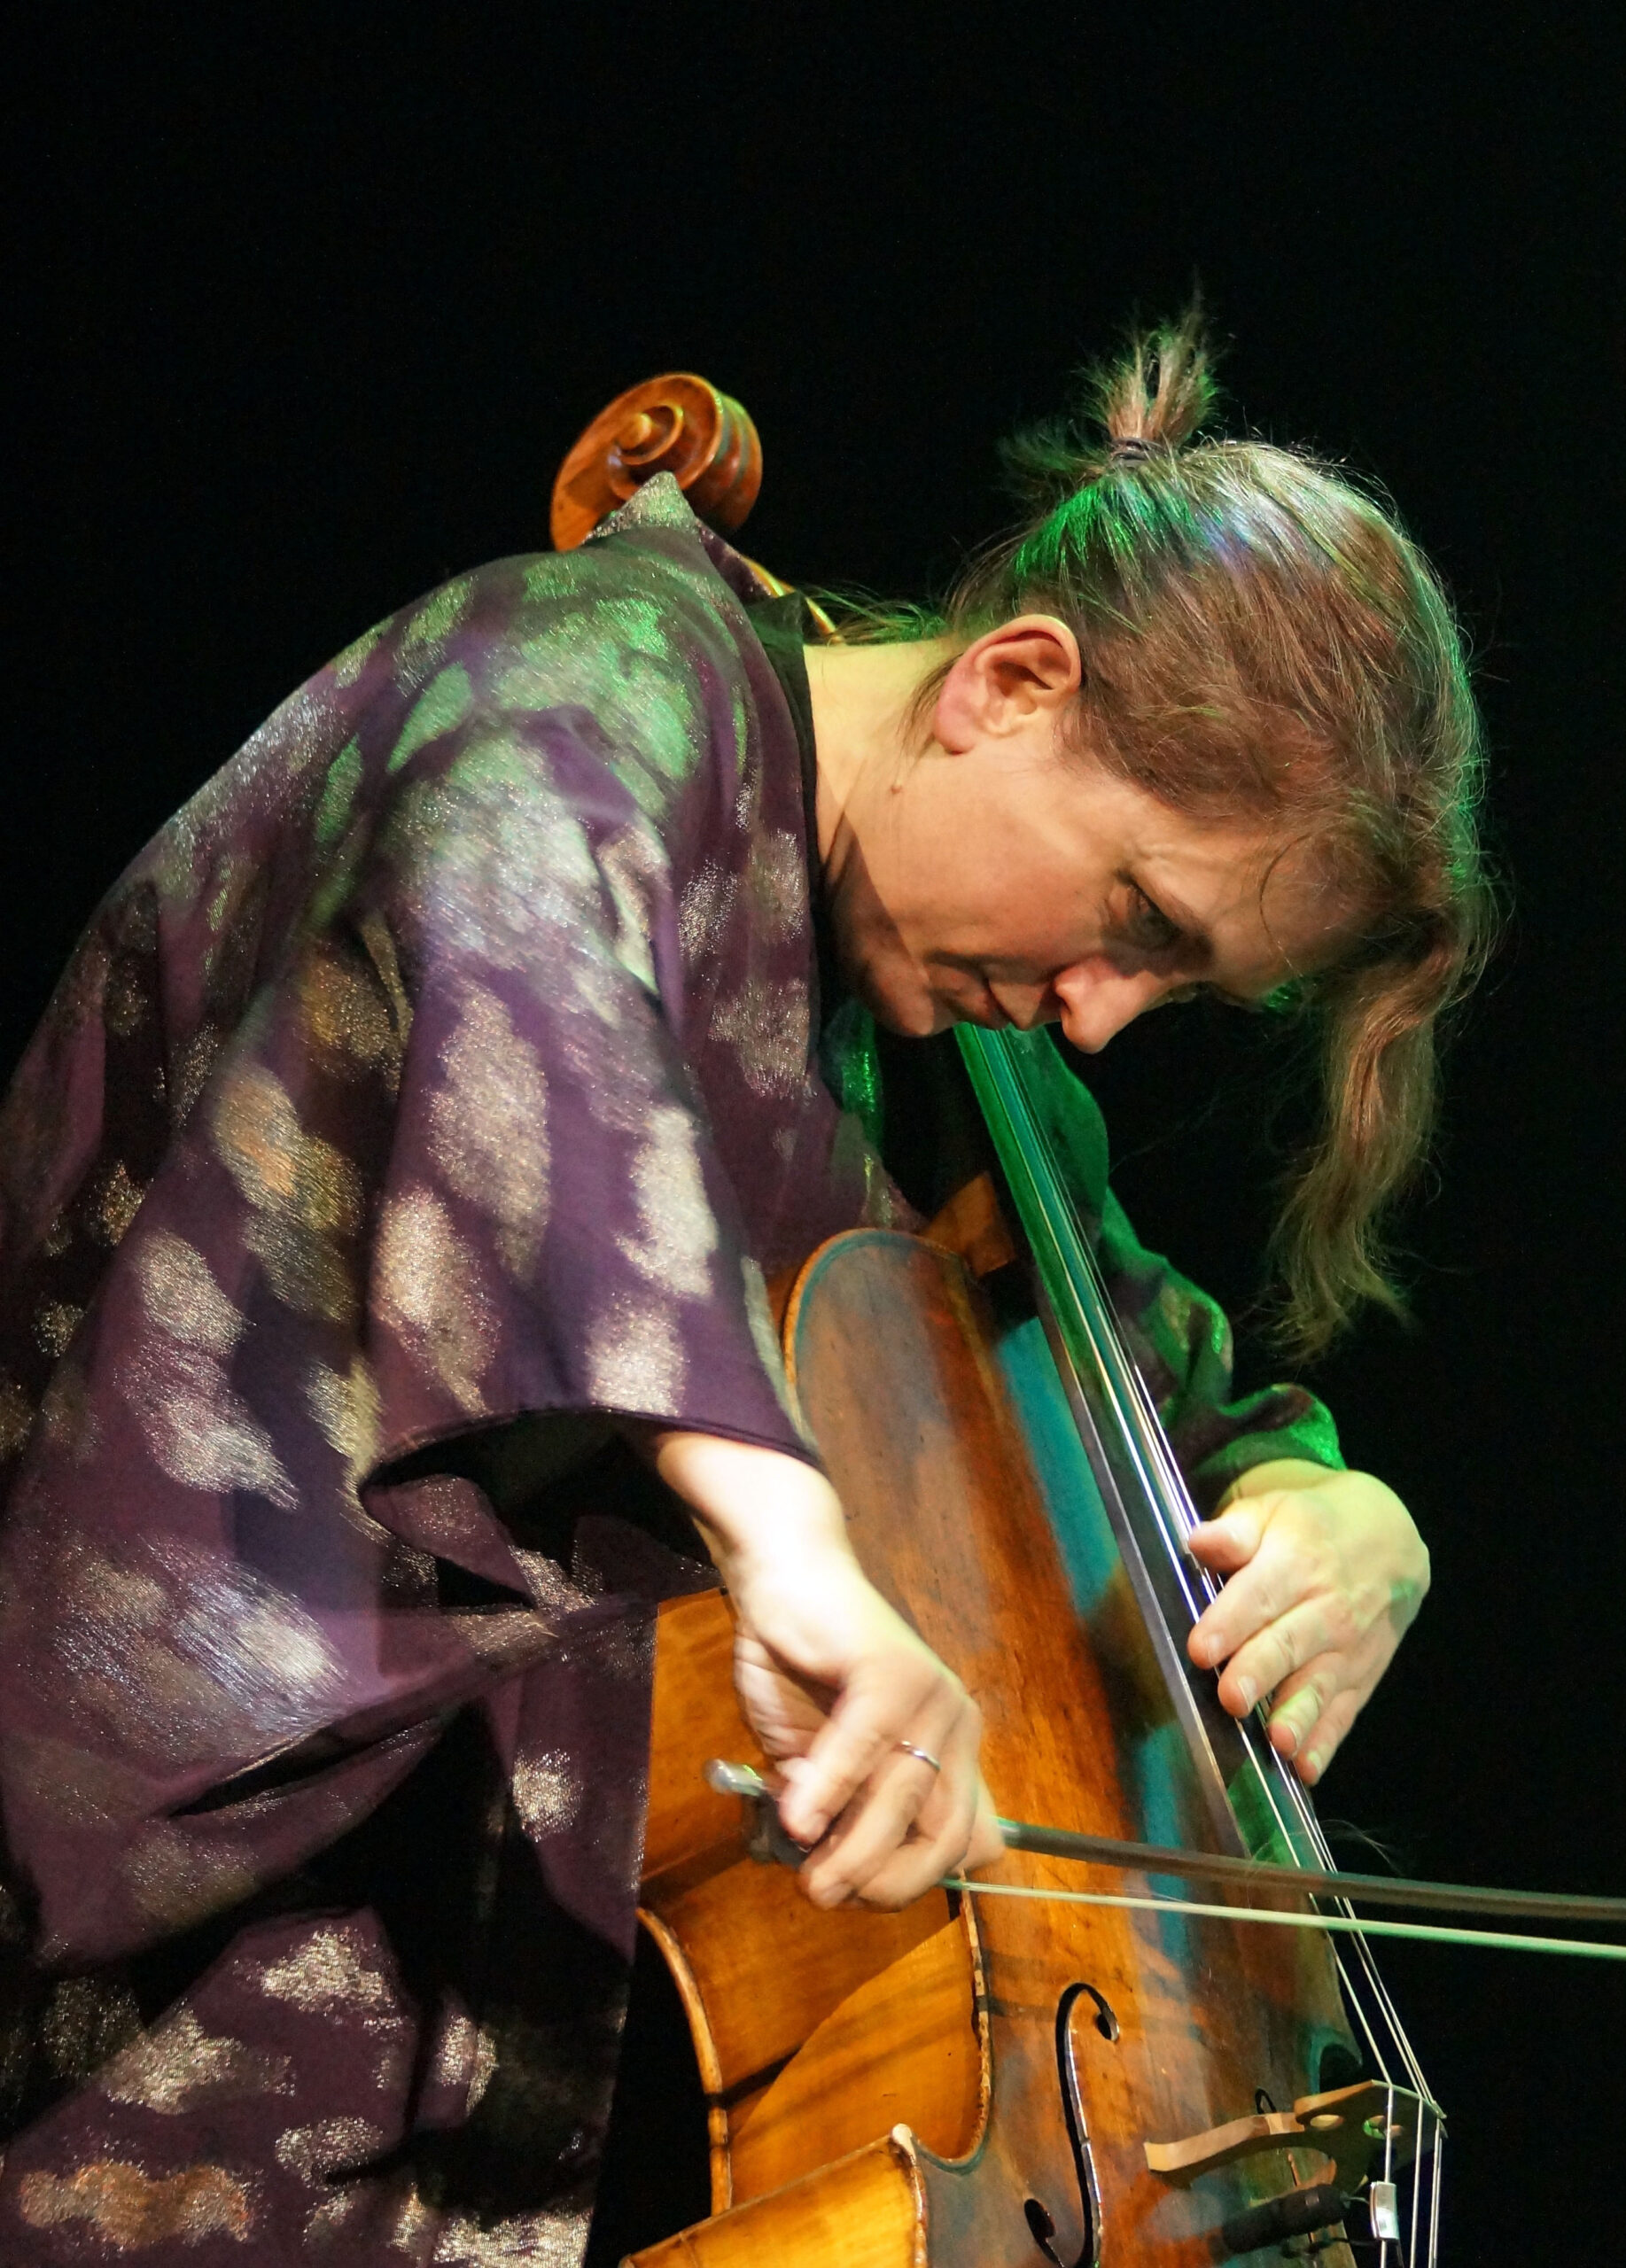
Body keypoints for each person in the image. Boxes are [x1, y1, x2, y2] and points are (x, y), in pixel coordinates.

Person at [0, 312, 1486, 2262]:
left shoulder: (955, 1057)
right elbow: (526, 976)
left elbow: (1137, 1371)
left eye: (1175, 985)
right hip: (127, 1928)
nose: (1098, 1014)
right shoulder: (594, 671)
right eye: (1136, 916)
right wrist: (791, 1542)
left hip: (465, 2004)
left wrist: (1339, 1510)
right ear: (1012, 684)